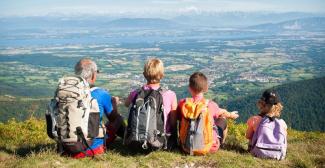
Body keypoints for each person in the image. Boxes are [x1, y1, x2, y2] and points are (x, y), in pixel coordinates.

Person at [71, 58, 125, 158]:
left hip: (67, 147)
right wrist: (114, 104)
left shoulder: (67, 93)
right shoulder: (100, 93)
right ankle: (127, 140)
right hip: (92, 148)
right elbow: (113, 118)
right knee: (119, 118)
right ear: (93, 75)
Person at [177, 72, 239, 153]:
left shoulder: (183, 104)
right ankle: (222, 144)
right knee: (223, 119)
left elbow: (178, 118)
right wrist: (231, 115)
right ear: (206, 88)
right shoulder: (210, 105)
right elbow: (222, 112)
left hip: (186, 147)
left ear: (189, 88)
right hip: (210, 148)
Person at [124, 58, 178, 149]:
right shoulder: (170, 95)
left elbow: (126, 104)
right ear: (162, 75)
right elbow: (173, 121)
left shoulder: (136, 93)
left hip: (135, 140)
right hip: (161, 141)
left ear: (144, 74)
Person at [246, 89, 287, 158]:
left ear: (261, 103)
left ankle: (251, 149)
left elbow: (248, 136)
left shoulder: (255, 119)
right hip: (278, 154)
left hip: (258, 152)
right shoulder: (282, 123)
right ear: (278, 106)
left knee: (252, 136)